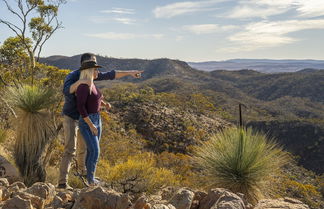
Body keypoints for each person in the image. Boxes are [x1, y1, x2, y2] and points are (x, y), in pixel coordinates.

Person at [58, 53, 143, 189]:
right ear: (84, 64)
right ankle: (62, 183)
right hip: (71, 117)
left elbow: (111, 74)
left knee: (84, 148)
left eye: (95, 62)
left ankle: (84, 175)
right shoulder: (73, 76)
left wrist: (130, 73)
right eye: (92, 62)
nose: (95, 65)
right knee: (70, 149)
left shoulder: (93, 74)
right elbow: (67, 91)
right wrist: (81, 82)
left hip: (84, 118)